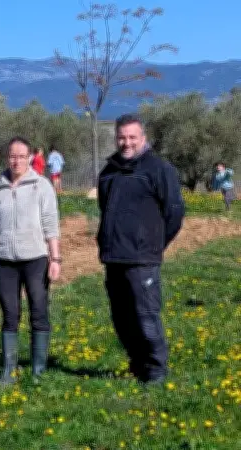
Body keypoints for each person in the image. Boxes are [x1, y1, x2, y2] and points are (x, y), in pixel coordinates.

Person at [97, 114, 185, 384]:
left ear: (143, 138)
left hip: (143, 258)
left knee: (146, 316)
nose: (127, 143)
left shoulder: (158, 169)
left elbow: (174, 211)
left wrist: (154, 243)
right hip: (114, 256)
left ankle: (157, 370)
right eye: (122, 137)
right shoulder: (109, 171)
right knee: (121, 319)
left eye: (132, 137)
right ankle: (138, 364)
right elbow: (105, 208)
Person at [0, 137, 61, 385]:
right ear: (7, 158)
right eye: (12, 156)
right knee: (9, 314)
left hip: (36, 259)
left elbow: (51, 224)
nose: (16, 161)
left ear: (29, 158)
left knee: (38, 311)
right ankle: (8, 371)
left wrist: (55, 257)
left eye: (21, 156)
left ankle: (38, 371)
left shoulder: (42, 186)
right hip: (5, 260)